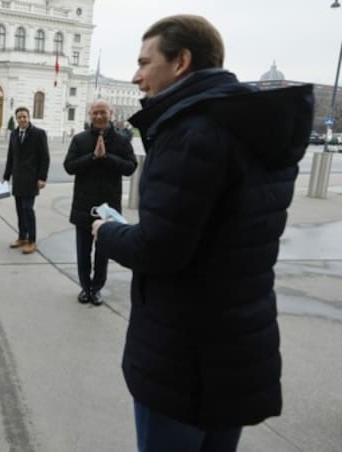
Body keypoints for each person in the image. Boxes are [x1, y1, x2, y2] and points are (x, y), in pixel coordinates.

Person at [91, 15, 313, 451]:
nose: (136, 76)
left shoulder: (190, 132)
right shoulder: (255, 124)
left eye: (144, 62)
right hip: (240, 342)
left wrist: (107, 231)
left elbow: (161, 248)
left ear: (181, 62)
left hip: (183, 353)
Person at [64, 99, 137, 306]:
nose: (99, 116)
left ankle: (97, 289)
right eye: (95, 113)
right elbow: (69, 166)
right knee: (83, 252)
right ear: (90, 115)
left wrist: (107, 158)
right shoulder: (80, 140)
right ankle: (85, 288)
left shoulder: (122, 141)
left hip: (108, 207)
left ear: (110, 113)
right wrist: (93, 157)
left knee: (103, 253)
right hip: (83, 205)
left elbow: (130, 167)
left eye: (102, 112)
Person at [2, 106, 50, 254]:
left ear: (29, 117)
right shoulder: (14, 134)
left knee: (27, 209)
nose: (22, 119)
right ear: (16, 119)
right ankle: (22, 236)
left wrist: (42, 178)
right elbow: (11, 157)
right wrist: (6, 176)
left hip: (31, 179)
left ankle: (31, 240)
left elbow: (45, 158)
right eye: (19, 117)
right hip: (18, 179)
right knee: (19, 210)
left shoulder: (38, 134)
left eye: (25, 116)